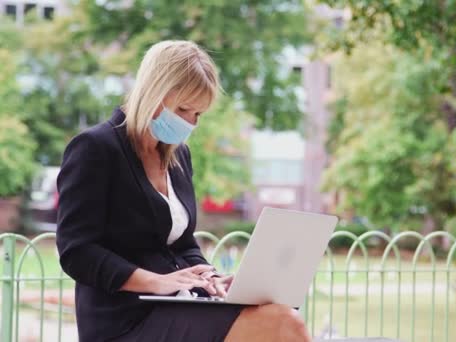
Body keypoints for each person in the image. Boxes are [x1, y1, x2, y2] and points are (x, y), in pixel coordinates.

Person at [56, 40, 312, 342]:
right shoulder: (95, 148)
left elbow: (182, 244)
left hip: (180, 303)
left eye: (198, 115)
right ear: (154, 93)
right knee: (281, 324)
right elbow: (77, 251)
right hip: (124, 321)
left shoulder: (178, 156)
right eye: (183, 109)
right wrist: (156, 282)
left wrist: (209, 276)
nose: (189, 123)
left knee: (282, 317)